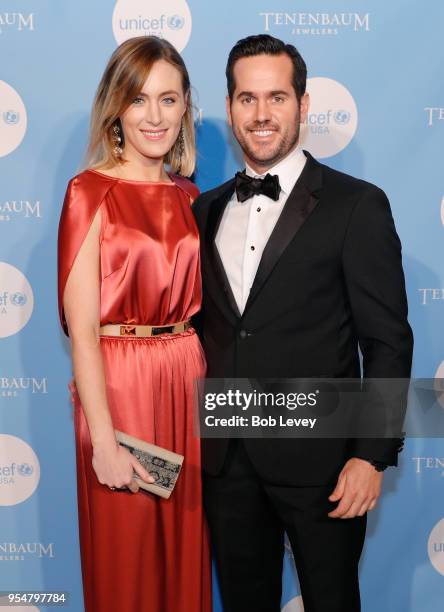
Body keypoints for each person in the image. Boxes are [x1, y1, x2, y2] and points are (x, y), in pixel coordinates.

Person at [192, 34, 413, 612]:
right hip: (227, 459)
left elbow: (387, 341)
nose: (261, 115)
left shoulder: (355, 205)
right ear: (231, 105)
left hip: (325, 463)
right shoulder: (203, 208)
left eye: (276, 98)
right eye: (246, 99)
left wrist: (371, 455)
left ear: (303, 104)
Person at [57, 36, 211, 612]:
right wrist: (103, 441)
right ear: (117, 108)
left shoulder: (191, 196)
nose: (154, 116)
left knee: (184, 554)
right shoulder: (89, 193)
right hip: (122, 389)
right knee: (128, 562)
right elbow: (84, 333)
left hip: (187, 381)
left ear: (185, 107)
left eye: (168, 100)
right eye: (139, 99)